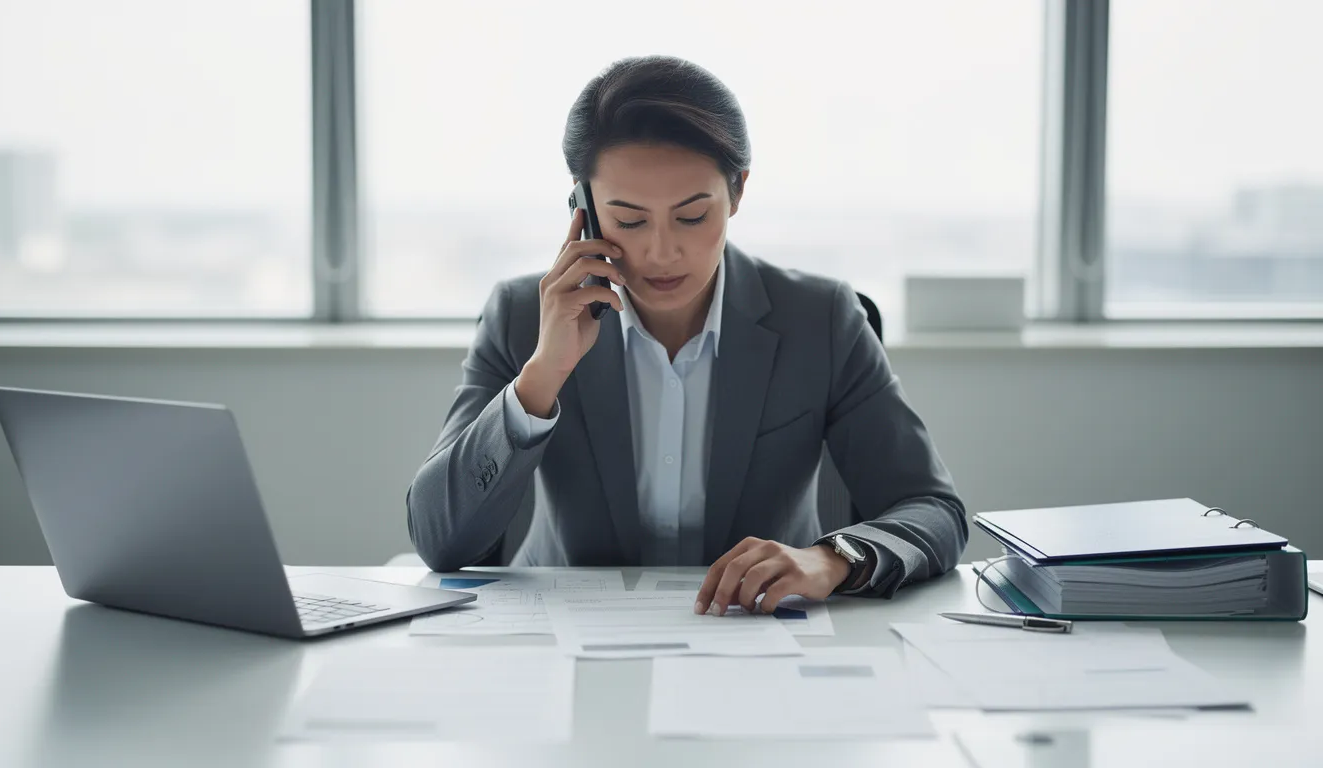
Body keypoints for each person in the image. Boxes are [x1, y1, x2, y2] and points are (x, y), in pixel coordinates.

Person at [407, 55, 966, 616]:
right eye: (629, 220)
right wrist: (542, 377)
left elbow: (932, 509)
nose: (662, 251)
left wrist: (830, 558)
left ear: (737, 192)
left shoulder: (821, 318)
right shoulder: (521, 316)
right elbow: (439, 541)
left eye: (693, 216)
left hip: (756, 633)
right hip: (563, 638)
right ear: (584, 206)